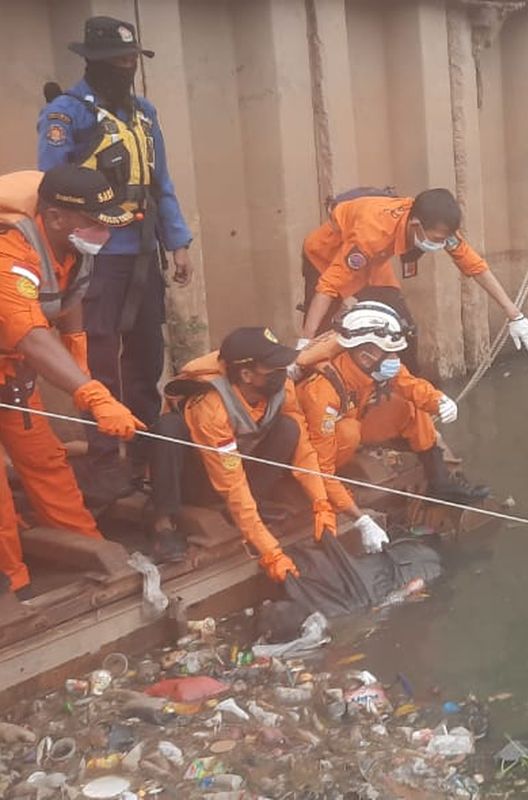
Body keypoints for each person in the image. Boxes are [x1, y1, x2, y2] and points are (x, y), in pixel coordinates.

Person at [38, 16, 194, 499]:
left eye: (133, 59)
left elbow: (159, 184)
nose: (129, 67)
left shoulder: (144, 113)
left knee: (146, 359)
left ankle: (146, 455)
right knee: (99, 359)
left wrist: (178, 241)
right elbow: (55, 189)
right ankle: (106, 462)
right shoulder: (68, 116)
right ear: (95, 62)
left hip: (144, 253)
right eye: (121, 60)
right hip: (96, 257)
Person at [0, 165, 145, 598]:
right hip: (18, 350)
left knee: (46, 463)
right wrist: (91, 393)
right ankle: (13, 585)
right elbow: (27, 331)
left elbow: (66, 300)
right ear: (57, 216)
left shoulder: (71, 246)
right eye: (94, 223)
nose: (102, 232)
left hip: (13, 374)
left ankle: (87, 547)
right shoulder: (10, 254)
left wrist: (77, 356)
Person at [147, 328, 344, 576]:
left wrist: (321, 502)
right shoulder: (211, 407)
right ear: (247, 374)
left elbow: (303, 449)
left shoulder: (280, 387)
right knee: (168, 427)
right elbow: (232, 484)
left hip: (235, 464)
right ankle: (163, 525)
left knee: (289, 429)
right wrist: (271, 551)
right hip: (199, 478)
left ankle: (251, 507)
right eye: (273, 368)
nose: (282, 372)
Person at [295, 288, 489, 519]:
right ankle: (340, 488)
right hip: (318, 444)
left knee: (410, 408)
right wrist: (354, 513)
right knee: (348, 432)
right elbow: (321, 466)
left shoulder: (367, 364)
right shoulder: (322, 391)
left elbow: (408, 383)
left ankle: (440, 482)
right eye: (391, 354)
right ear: (366, 354)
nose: (395, 360)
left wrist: (439, 401)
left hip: (355, 417)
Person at [298, 188, 528, 361]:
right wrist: (306, 341)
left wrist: (514, 315)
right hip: (325, 256)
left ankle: (406, 397)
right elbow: (328, 286)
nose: (442, 244)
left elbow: (475, 266)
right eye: (437, 240)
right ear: (415, 225)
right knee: (326, 337)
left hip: (376, 262)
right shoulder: (373, 233)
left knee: (403, 327)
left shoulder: (437, 226)